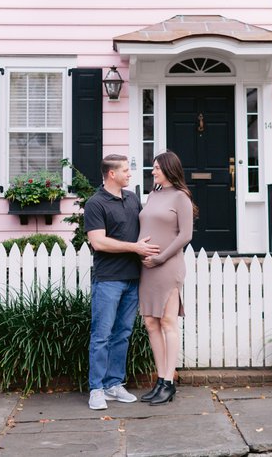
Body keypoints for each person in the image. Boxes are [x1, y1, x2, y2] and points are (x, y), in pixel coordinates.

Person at [84, 153, 160, 411]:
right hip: (108, 280)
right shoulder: (96, 203)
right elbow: (98, 241)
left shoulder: (132, 199)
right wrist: (135, 248)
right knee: (101, 335)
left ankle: (114, 384)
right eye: (126, 170)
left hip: (132, 278)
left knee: (122, 334)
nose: (130, 174)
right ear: (112, 174)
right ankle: (96, 389)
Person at [137, 150, 195, 405]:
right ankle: (160, 379)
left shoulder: (180, 197)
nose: (153, 171)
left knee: (168, 322)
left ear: (169, 169)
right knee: (151, 323)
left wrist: (160, 258)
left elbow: (185, 235)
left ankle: (169, 383)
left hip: (168, 266)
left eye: (157, 167)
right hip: (147, 268)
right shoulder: (154, 195)